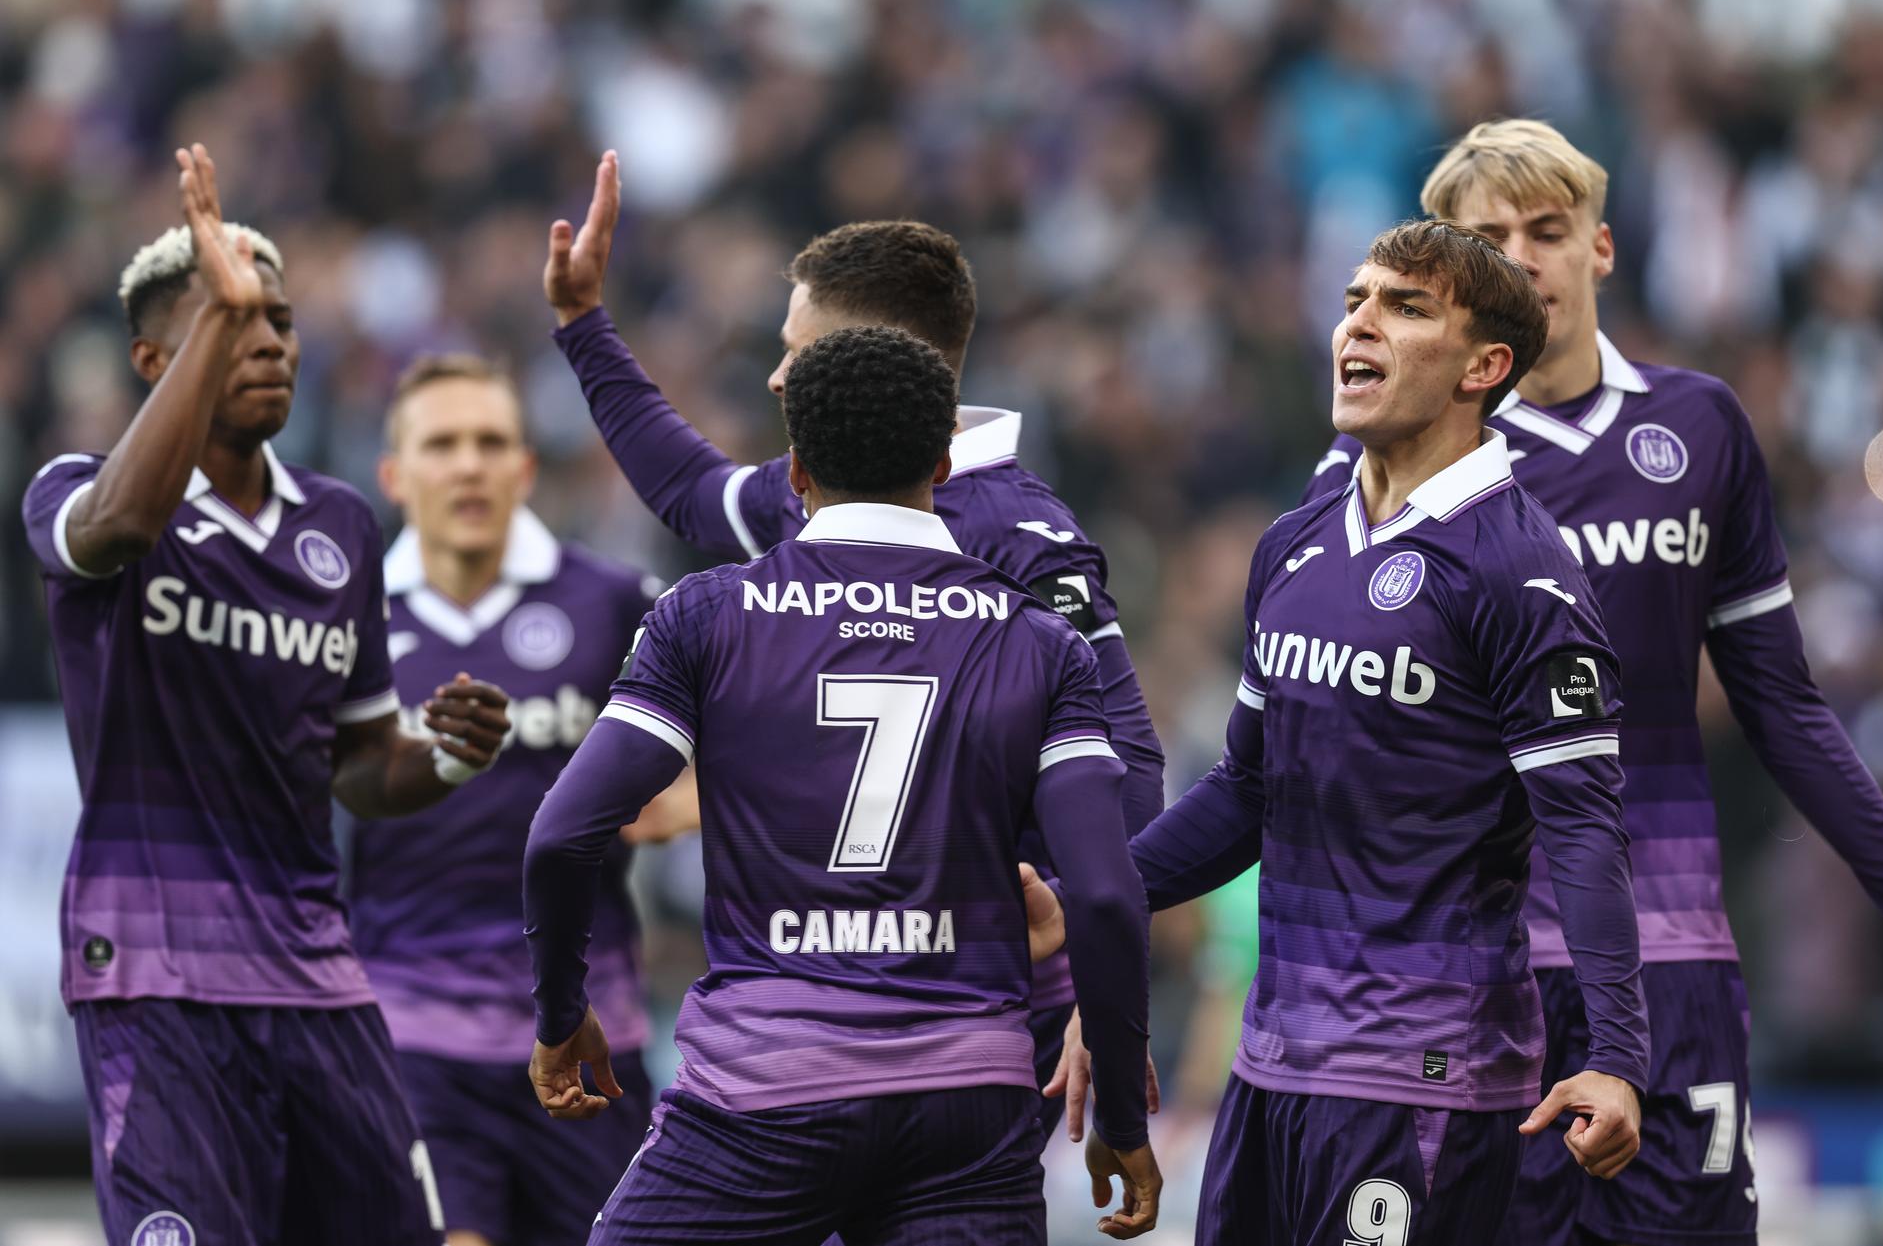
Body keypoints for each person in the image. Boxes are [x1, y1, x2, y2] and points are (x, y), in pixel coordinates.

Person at [1302, 118, 1883, 1246]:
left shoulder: (1700, 428)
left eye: (1548, 229)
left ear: (1602, 248)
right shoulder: (1384, 455)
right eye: (1489, 237)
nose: (1524, 257)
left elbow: (1781, 704)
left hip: (1671, 952)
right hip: (1476, 972)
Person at [544, 151, 1165, 1136]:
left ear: (874, 357)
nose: (778, 372)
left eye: (798, 347)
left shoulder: (1013, 531)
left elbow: (1126, 756)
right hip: (821, 992)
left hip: (978, 1004)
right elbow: (690, 490)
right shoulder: (831, 496)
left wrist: (1105, 992)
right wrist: (584, 328)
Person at [1062, 219, 1652, 1242]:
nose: (1359, 326)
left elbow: (1587, 833)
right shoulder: (1294, 546)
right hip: (1268, 1072)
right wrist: (1098, 894)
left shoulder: (1523, 575)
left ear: (1485, 366)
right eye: (1354, 302)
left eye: (1405, 307)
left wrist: (1619, 1055)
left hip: (1422, 1081)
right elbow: (1247, 790)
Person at [20, 145, 510, 1246]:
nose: (269, 341)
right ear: (158, 357)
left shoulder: (339, 528)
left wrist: (444, 756)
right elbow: (119, 529)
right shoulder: (77, 493)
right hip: (155, 977)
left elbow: (358, 763)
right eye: (229, 321)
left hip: (315, 978)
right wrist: (214, 320)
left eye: (279, 320)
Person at [347, 352, 675, 1246]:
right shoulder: (347, 616)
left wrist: (678, 802)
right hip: (410, 1037)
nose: (468, 464)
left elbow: (699, 772)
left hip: (584, 1032)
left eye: (491, 442)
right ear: (394, 473)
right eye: (442, 443)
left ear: (525, 468)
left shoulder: (613, 603)